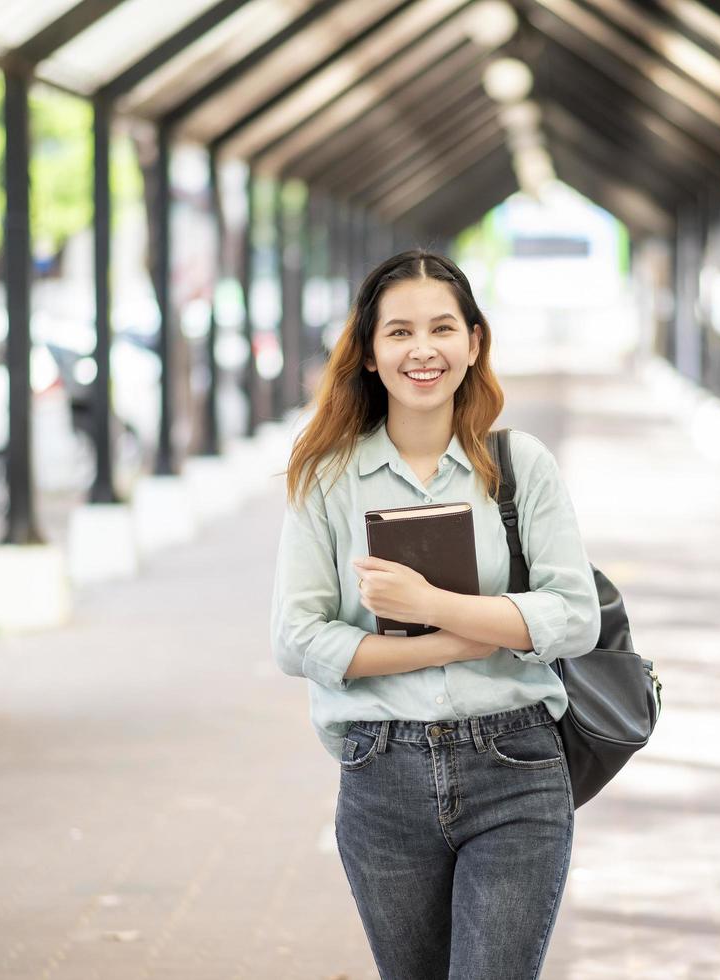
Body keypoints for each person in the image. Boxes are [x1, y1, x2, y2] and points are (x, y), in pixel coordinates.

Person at [270, 249, 599, 980]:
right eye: (399, 332)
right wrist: (461, 641)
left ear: (473, 342)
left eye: (443, 328)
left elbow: (575, 616)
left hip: (516, 770)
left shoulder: (520, 467)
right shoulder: (326, 477)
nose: (423, 350)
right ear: (369, 352)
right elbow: (297, 638)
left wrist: (428, 608)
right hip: (380, 775)